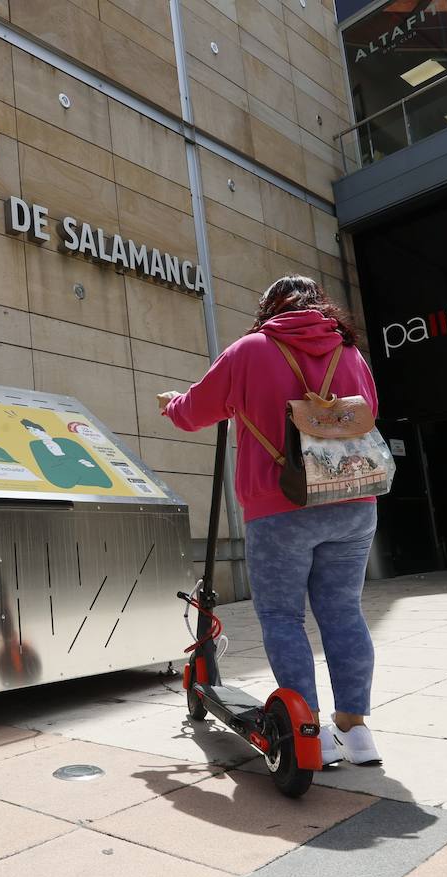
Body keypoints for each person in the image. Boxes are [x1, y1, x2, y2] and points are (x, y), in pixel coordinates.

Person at [157, 276, 382, 767]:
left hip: (280, 506)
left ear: (268, 308)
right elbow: (370, 413)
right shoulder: (351, 354)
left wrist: (171, 403)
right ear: (320, 306)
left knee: (283, 617)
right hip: (353, 499)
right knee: (344, 611)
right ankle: (357, 732)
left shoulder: (250, 351)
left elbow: (195, 412)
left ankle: (309, 733)